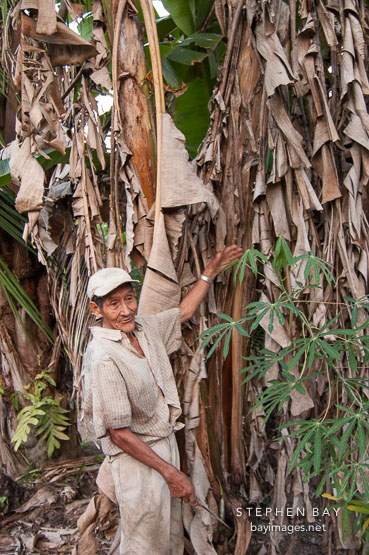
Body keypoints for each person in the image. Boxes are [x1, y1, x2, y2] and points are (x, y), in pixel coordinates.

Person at [84, 245, 243, 554]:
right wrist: (172, 473)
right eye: (113, 304)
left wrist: (210, 271)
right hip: (137, 462)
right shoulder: (104, 357)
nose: (126, 310)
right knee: (145, 546)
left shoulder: (143, 329)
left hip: (162, 449)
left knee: (165, 540)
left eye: (129, 299)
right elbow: (119, 433)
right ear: (96, 310)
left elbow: (183, 313)